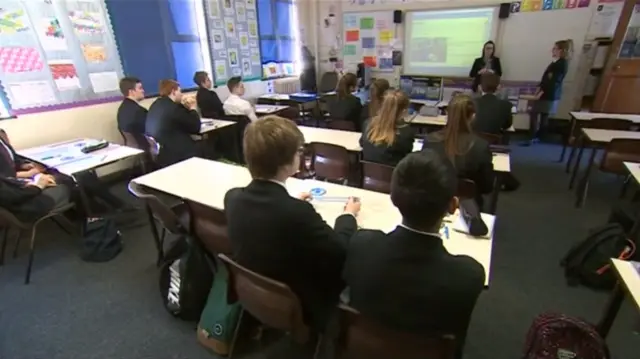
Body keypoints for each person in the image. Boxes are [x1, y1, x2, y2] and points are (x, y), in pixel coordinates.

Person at [224, 115, 360, 332]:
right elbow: (340, 251)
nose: (301, 156)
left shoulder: (232, 198)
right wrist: (348, 217)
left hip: (255, 291)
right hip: (301, 300)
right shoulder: (297, 213)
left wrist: (290, 203)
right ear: (286, 161)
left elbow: (270, 217)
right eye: (299, 151)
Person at [343, 151, 485, 359]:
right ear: (453, 206)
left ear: (393, 197)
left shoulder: (362, 244)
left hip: (365, 350)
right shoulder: (469, 275)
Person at [0, 129, 130, 213]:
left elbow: (14, 159)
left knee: (79, 174)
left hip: (23, 184)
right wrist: (33, 179)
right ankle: (100, 210)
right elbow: (6, 181)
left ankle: (99, 208)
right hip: (25, 193)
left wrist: (26, 166)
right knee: (75, 177)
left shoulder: (1, 136)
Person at [422, 94, 494, 207]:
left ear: (447, 113)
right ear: (473, 116)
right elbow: (487, 187)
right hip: (466, 205)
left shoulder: (430, 140)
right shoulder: (480, 146)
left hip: (433, 202)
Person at [524, 39, 571, 146]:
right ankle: (538, 136)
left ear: (561, 50)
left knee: (535, 113)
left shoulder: (561, 64)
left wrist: (541, 92)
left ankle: (534, 136)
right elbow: (546, 79)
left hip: (548, 94)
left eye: (555, 48)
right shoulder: (556, 62)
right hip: (546, 92)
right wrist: (539, 87)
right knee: (542, 115)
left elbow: (553, 81)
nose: (552, 50)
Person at [145, 79, 202, 166]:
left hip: (162, 152)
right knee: (204, 147)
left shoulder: (156, 104)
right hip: (177, 153)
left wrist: (185, 107)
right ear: (173, 92)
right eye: (180, 91)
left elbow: (179, 118)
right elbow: (195, 127)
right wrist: (193, 108)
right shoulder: (173, 109)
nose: (182, 94)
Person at [360, 90, 415, 166]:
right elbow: (407, 155)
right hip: (393, 176)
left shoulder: (368, 124)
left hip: (369, 176)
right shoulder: (406, 133)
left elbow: (362, 143)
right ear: (404, 111)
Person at [0, 174, 71, 222]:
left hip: (22, 199)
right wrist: (38, 186)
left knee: (59, 178)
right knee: (69, 183)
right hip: (27, 208)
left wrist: (23, 183)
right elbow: (13, 197)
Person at [116, 76, 147, 149]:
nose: (143, 91)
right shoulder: (139, 111)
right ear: (131, 92)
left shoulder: (122, 109)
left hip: (133, 149)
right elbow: (152, 132)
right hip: (144, 148)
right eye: (140, 88)